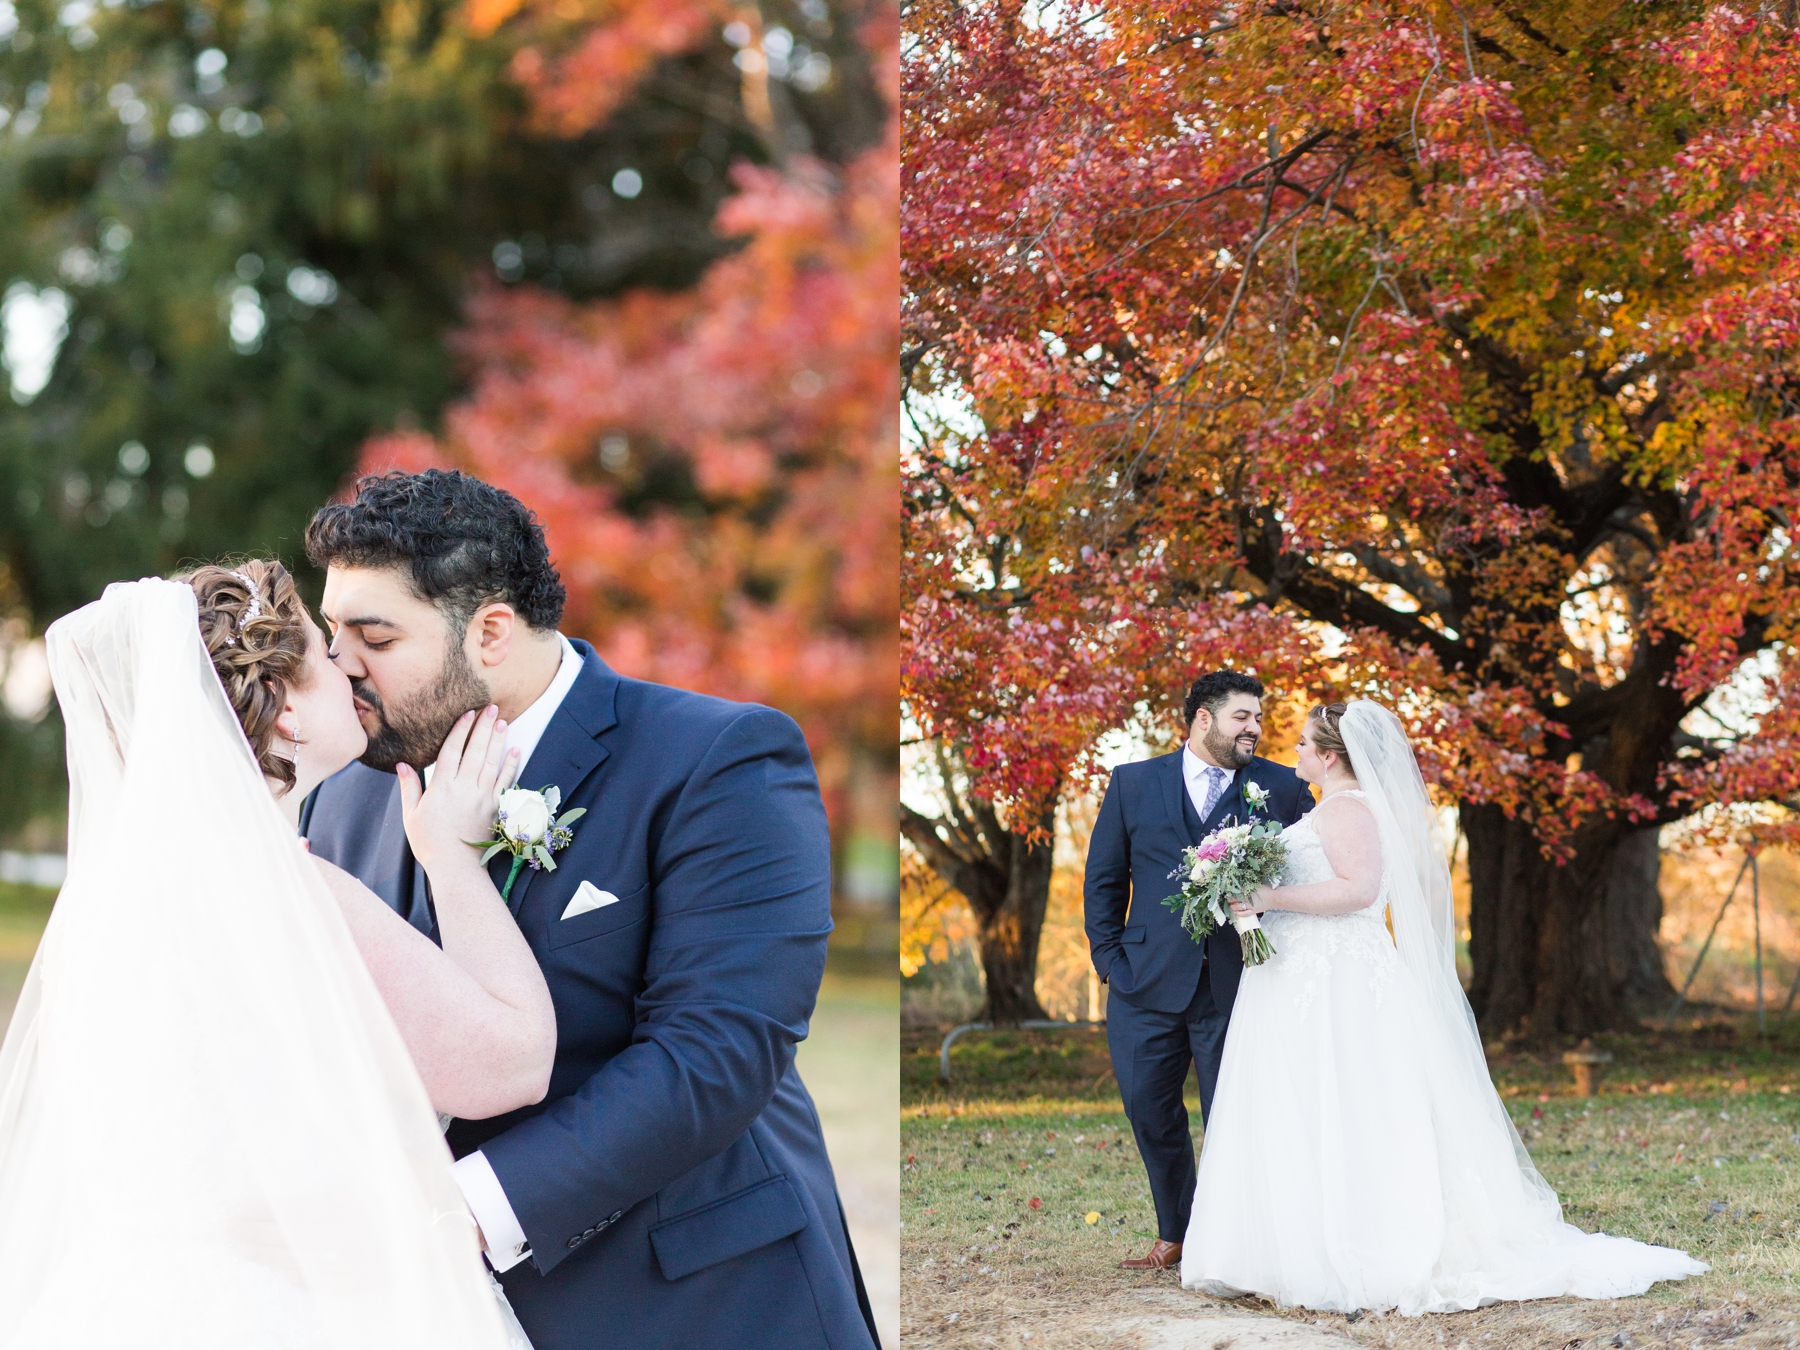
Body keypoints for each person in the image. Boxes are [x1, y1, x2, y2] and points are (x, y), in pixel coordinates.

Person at [299, 469, 879, 1350]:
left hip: (692, 1302)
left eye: (372, 635)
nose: (340, 663)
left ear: (490, 631)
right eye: (332, 629)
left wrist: (466, 1214)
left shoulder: (719, 760)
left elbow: (718, 1054)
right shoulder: (341, 795)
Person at [0, 564, 542, 1348]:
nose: (350, 667)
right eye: (327, 656)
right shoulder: (285, 892)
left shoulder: (112, 906)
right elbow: (513, 1065)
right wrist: (453, 860)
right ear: (287, 711)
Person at [1181, 701, 1705, 1312]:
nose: (1291, 751)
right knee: (1303, 1099)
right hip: (1300, 973)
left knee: (1342, 1097)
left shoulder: (1348, 809)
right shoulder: (1333, 808)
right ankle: (1284, 1246)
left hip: (1338, 978)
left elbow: (1359, 892)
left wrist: (1268, 895)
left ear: (1329, 756)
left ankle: (1351, 1245)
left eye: (1301, 743)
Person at [1083, 670, 1312, 1272]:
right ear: (1204, 719)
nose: (1255, 730)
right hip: (1143, 982)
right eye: (1243, 717)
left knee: (1233, 1116)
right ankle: (1176, 1232)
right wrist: (1109, 960)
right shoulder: (1133, 782)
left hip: (1239, 986)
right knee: (1148, 1110)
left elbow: (1307, 870)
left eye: (1259, 720)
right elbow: (1104, 878)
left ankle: (1236, 1243)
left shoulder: (1283, 788)